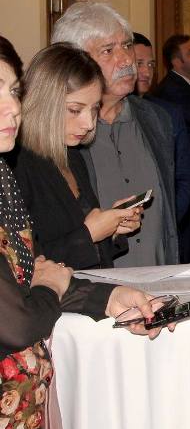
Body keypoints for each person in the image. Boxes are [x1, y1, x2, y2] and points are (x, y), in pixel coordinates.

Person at [0, 34, 166, 429]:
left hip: (23, 409)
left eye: (13, 91)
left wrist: (110, 293)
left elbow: (37, 267)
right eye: (76, 110)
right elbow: (25, 300)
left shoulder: (20, 169)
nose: (12, 108)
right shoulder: (21, 165)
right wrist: (88, 237)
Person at [51, 1, 179, 266]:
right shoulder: (60, 133)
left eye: (127, 45)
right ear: (75, 62)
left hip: (160, 278)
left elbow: (168, 215)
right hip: (90, 281)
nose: (127, 60)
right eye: (108, 50)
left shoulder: (156, 119)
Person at [13, 44, 145, 269]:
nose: (89, 124)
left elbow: (82, 248)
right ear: (43, 103)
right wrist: (90, 233)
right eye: (75, 110)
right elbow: (20, 265)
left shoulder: (72, 156)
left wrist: (111, 229)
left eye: (94, 109)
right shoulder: (16, 165)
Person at [133, 33, 190, 261]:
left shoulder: (167, 114)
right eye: (139, 63)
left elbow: (183, 177)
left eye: (151, 65)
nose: (146, 72)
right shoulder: (96, 117)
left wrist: (167, 220)